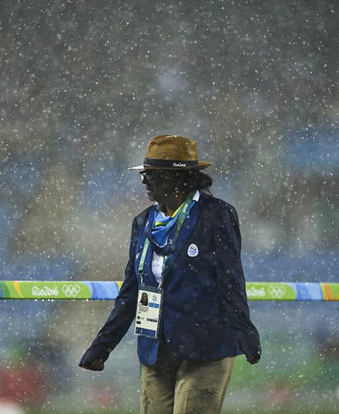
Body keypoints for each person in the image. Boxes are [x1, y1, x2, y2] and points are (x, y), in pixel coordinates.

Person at [79, 135, 261, 414]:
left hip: (206, 348)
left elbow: (230, 281)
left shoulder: (216, 215)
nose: (145, 183)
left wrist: (246, 335)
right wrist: (102, 347)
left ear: (181, 179)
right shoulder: (142, 222)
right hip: (155, 348)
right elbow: (131, 291)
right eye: (144, 176)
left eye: (153, 176)